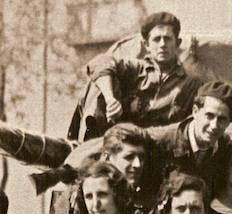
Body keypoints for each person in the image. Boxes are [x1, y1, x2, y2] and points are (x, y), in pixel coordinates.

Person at [37, 124, 161, 214]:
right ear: (107, 157)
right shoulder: (77, 196)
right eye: (129, 157)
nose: (137, 165)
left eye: (141, 157)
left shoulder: (150, 202)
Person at [70, 11, 203, 140]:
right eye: (157, 39)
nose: (162, 44)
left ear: (177, 43)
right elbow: (100, 62)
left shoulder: (191, 84)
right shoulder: (135, 69)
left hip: (162, 149)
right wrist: (111, 99)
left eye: (167, 39)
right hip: (123, 144)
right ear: (147, 45)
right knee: (103, 80)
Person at [148, 81, 232, 192]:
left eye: (222, 119)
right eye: (209, 116)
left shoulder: (227, 149)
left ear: (229, 122)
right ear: (195, 112)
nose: (214, 125)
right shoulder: (163, 143)